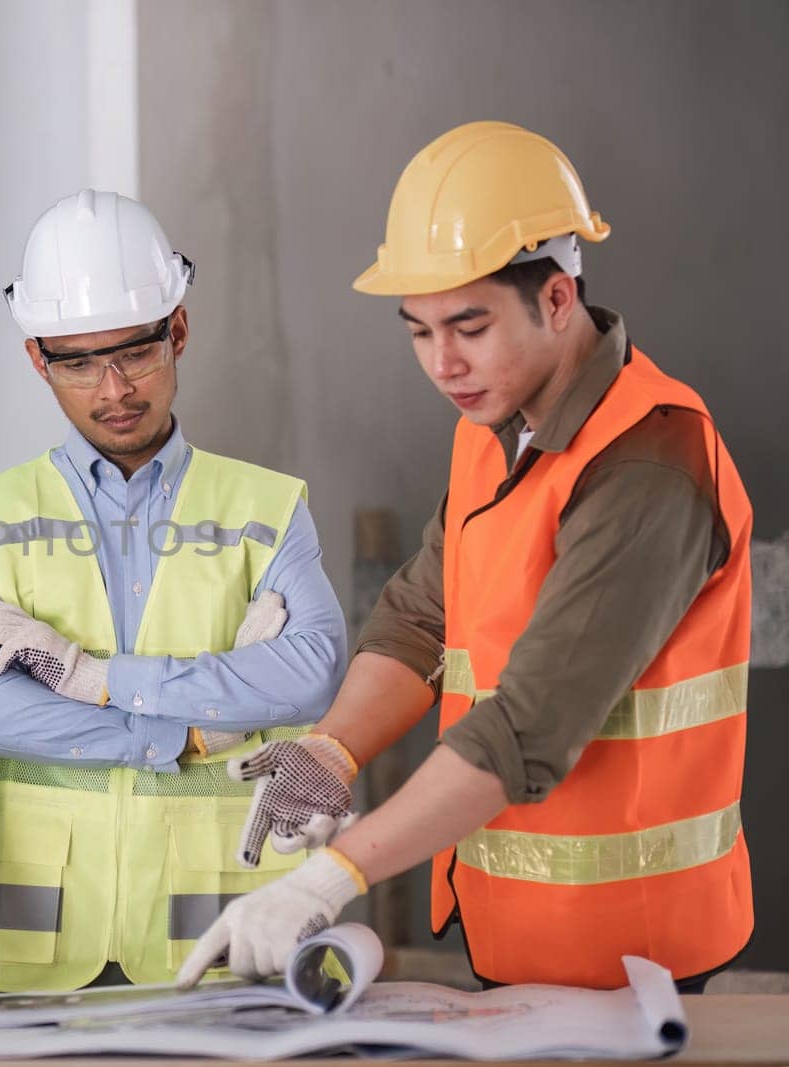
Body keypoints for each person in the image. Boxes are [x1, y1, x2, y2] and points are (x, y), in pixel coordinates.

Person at [179, 121, 752, 993]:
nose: (442, 363)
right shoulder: (492, 429)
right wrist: (332, 749)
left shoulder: (648, 463)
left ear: (558, 299)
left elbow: (529, 724)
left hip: (640, 966)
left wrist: (332, 876)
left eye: (469, 326)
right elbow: (421, 617)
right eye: (418, 331)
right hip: (517, 948)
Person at [0, 189, 348, 992]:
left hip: (226, 942)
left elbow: (314, 668)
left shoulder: (266, 507)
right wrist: (193, 734)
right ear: (37, 360)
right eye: (78, 361)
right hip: (45, 951)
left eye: (134, 352)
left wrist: (93, 679)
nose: (113, 387)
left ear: (179, 331)